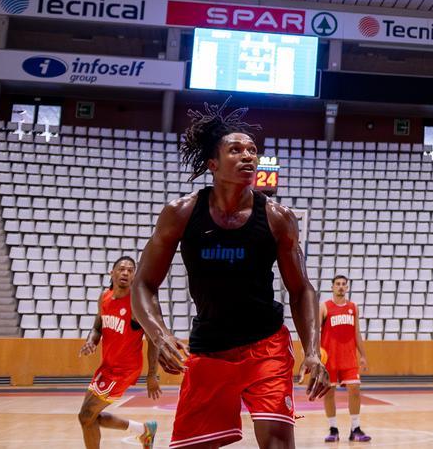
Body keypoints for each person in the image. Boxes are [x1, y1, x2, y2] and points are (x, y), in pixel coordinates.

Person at [132, 101, 329, 449]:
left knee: (279, 443)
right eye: (235, 150)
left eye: (252, 150)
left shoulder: (277, 217)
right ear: (213, 163)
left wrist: (312, 350)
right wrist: (159, 334)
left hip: (266, 345)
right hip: (210, 348)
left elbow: (301, 291)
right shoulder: (180, 214)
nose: (248, 156)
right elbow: (144, 284)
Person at [77, 256, 159, 449]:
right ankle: (144, 430)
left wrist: (152, 375)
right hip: (106, 367)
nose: (125, 273)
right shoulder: (104, 297)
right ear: (112, 273)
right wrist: (91, 341)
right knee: (88, 418)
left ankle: (144, 430)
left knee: (86, 415)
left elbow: (153, 340)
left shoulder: (135, 304)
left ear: (134, 277)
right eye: (121, 269)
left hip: (124, 370)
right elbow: (97, 327)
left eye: (130, 270)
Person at [307, 275, 371, 442]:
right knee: (329, 393)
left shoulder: (353, 307)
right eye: (338, 284)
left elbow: (357, 333)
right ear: (332, 287)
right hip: (329, 359)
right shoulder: (324, 307)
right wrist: (311, 352)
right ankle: (333, 429)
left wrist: (363, 355)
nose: (341, 287)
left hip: (349, 358)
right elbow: (314, 330)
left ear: (347, 287)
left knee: (355, 389)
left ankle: (355, 429)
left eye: (344, 284)